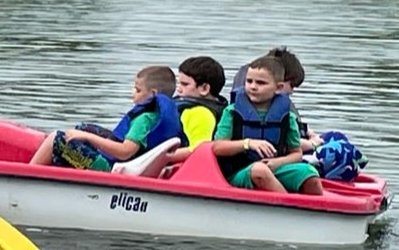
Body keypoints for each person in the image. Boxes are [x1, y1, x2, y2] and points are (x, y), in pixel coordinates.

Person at [29, 64, 184, 172]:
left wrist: (88, 138)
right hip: (124, 161)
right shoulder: (159, 115)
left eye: (137, 90)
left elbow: (125, 152)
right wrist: (86, 134)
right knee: (84, 128)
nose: (132, 93)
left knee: (56, 139)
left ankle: (28, 176)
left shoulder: (143, 119)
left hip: (109, 167)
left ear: (153, 94)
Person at [210, 56, 323, 195]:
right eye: (249, 81)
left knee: (309, 173)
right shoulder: (231, 112)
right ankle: (289, 207)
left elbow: (296, 154)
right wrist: (248, 143)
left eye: (261, 83)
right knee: (259, 170)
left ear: (279, 88)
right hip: (238, 172)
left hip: (275, 168)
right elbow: (218, 147)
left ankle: (316, 211)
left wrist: (277, 163)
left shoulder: (288, 117)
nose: (253, 86)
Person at [174, 55, 228, 148]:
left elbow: (198, 149)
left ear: (204, 88)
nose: (178, 89)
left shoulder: (200, 113)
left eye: (185, 84)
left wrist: (165, 156)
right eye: (179, 83)